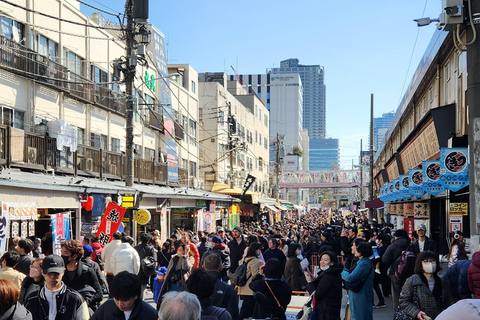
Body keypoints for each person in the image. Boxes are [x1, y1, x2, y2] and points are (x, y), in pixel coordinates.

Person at [24, 255, 89, 320]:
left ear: (63, 272)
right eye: (49, 273)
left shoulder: (76, 299)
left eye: (56, 273)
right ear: (42, 272)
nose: (52, 277)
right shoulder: (31, 299)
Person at [398, 251, 454, 319]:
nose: (430, 264)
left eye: (432, 261)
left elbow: (449, 303)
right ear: (421, 265)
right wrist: (417, 312)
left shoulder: (442, 283)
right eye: (426, 261)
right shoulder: (412, 281)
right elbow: (403, 301)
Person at [90, 271, 158, 320]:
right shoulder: (107, 307)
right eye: (116, 299)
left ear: (135, 296)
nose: (120, 304)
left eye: (125, 300)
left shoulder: (150, 314)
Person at [60, 240, 103, 311]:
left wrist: (85, 301)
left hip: (83, 311)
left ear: (74, 256)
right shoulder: (60, 272)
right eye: (61, 252)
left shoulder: (87, 271)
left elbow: (99, 295)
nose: (62, 255)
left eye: (65, 253)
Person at [341, 241, 374, 320]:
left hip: (361, 295)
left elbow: (350, 277)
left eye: (355, 247)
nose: (353, 249)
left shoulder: (364, 263)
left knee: (359, 316)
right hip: (359, 294)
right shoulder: (362, 262)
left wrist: (342, 272)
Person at [202, 253, 238, 320]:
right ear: (221, 267)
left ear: (203, 266)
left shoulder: (194, 287)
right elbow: (233, 313)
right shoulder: (228, 289)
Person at [382, 229, 411, 310]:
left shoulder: (393, 246)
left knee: (397, 294)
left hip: (395, 273)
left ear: (396, 237)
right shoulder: (411, 245)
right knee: (409, 294)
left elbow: (385, 259)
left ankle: (398, 313)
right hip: (410, 273)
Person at [309, 251, 342, 320]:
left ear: (332, 263)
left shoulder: (328, 276)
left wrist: (309, 283)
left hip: (326, 312)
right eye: (321, 260)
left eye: (325, 260)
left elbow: (317, 295)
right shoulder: (332, 273)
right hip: (330, 311)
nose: (322, 262)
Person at [237, 242, 262, 320]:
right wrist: (261, 273)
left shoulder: (244, 259)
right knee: (247, 309)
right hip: (249, 288)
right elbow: (255, 275)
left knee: (244, 307)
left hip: (242, 286)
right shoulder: (254, 261)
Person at [134, 232, 157, 298]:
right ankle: (140, 303)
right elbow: (154, 260)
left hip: (136, 270)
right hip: (146, 271)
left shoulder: (135, 248)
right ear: (148, 240)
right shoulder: (151, 249)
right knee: (142, 289)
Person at [101, 231, 122, 298]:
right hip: (120, 271)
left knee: (111, 289)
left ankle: (111, 303)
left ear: (113, 237)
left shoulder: (107, 246)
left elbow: (102, 257)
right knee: (120, 290)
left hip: (110, 271)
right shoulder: (123, 246)